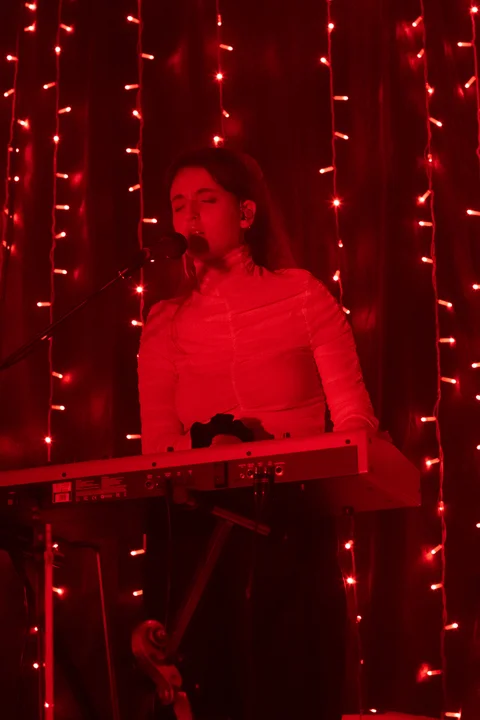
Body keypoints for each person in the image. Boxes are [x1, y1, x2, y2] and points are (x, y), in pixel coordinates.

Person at [137, 146, 378, 720]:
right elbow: (155, 452)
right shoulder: (164, 323)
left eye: (206, 200)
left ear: (245, 212)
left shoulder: (303, 295)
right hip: (199, 533)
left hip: (289, 528)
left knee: (290, 683)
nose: (190, 217)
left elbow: (355, 423)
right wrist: (211, 450)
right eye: (178, 205)